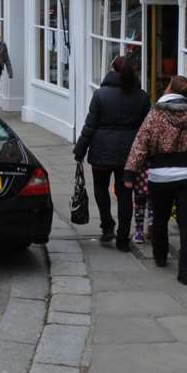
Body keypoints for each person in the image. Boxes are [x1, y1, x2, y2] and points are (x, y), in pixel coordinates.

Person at [125, 75, 187, 286]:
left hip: (160, 176)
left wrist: (130, 172)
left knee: (160, 218)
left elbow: (141, 144)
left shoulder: (156, 114)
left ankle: (160, 256)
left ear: (169, 91)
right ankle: (186, 272)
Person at [73, 56, 151, 249]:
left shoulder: (100, 95)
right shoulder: (141, 96)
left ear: (112, 70)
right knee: (125, 194)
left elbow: (90, 126)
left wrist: (80, 150)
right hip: (129, 153)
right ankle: (123, 239)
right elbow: (145, 129)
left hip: (102, 151)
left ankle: (107, 226)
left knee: (101, 189)